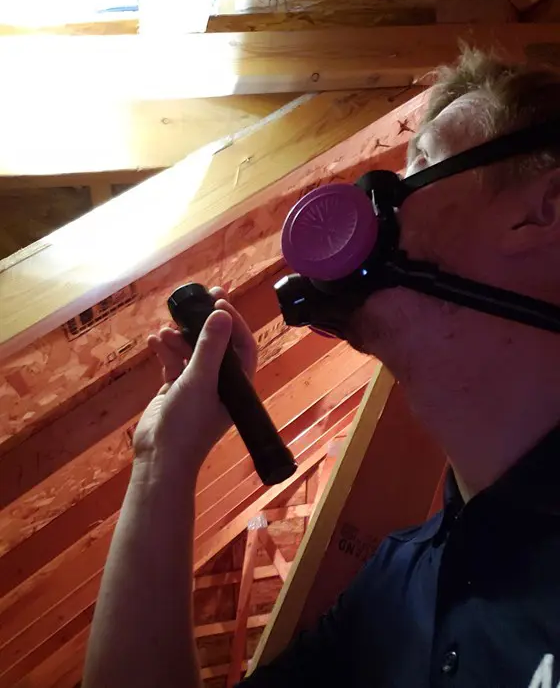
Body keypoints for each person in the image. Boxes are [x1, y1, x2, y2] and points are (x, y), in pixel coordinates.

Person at [82, 50, 560, 688]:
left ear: (543, 210)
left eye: (421, 168)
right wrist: (161, 460)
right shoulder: (394, 591)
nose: (375, 205)